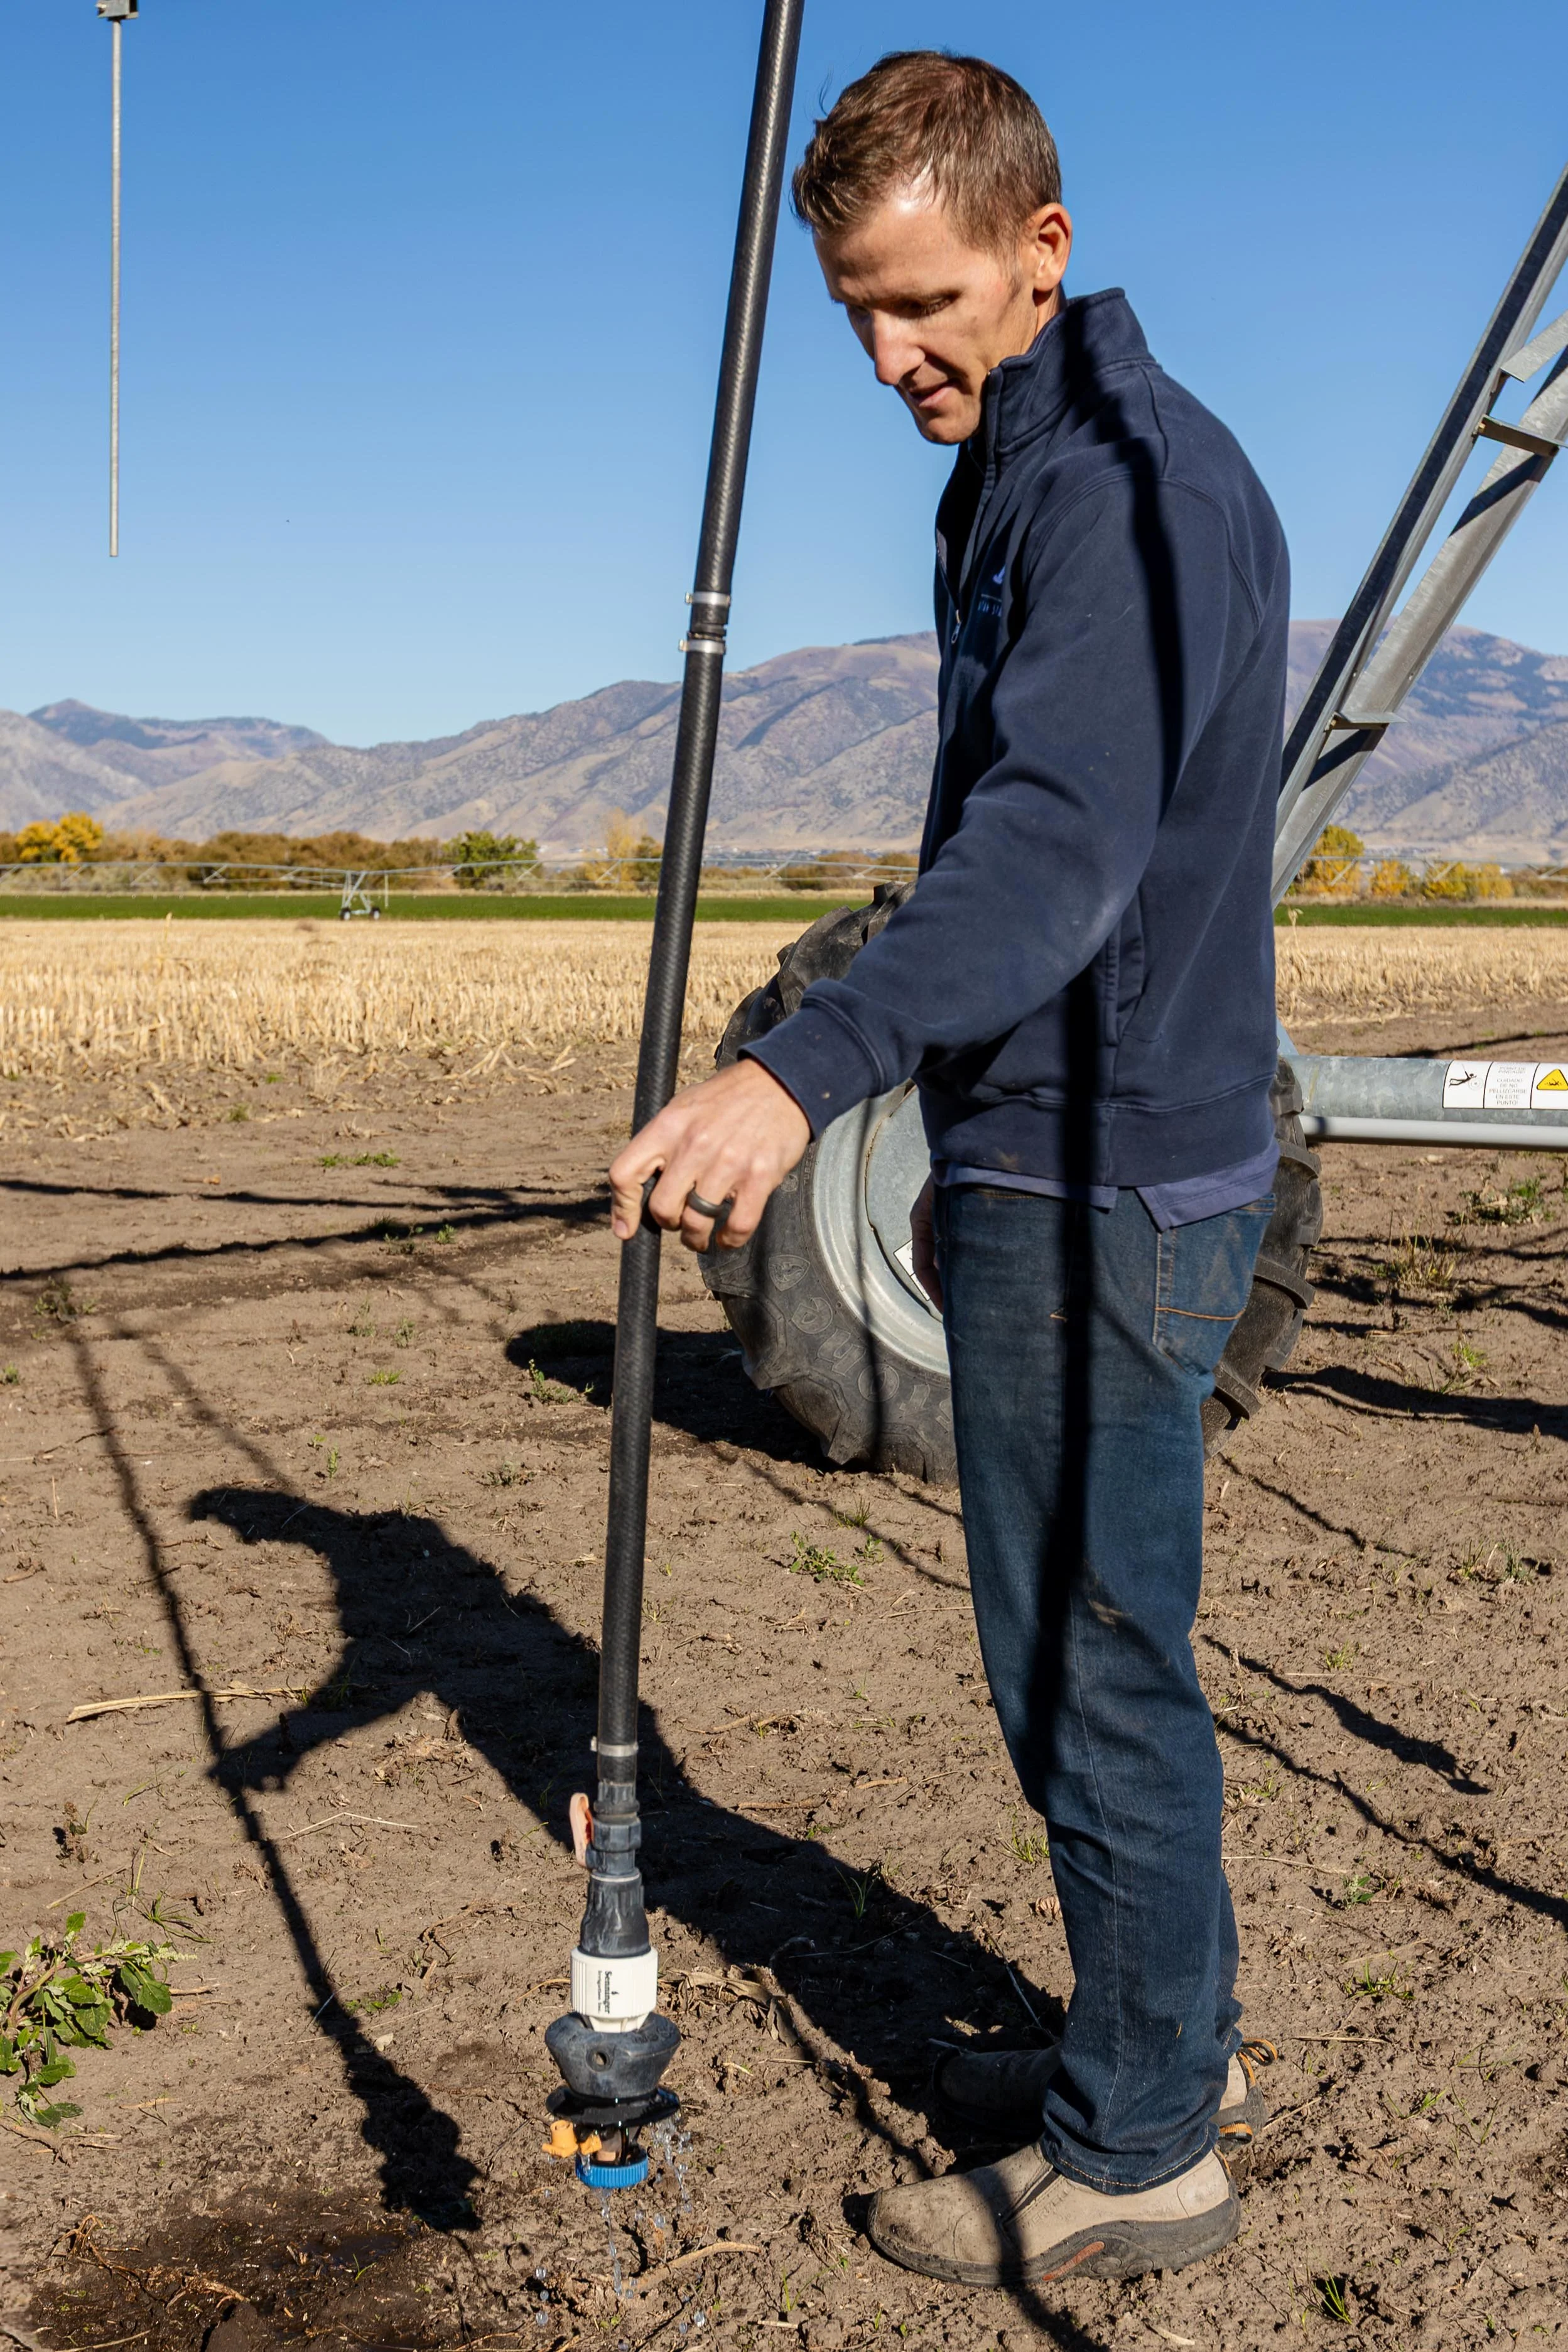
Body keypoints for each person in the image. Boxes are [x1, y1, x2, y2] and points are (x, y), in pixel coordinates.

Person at [608, 50, 1287, 2291]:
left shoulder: (1118, 490)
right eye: (856, 314)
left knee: (1097, 1668)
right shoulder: (1014, 458)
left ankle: (1144, 2149)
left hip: (1111, 1179)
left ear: (1043, 248)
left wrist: (799, 1077)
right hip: (1045, 1156)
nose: (891, 355)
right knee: (1068, 1658)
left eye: (924, 302)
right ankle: (1147, 2037)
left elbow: (1057, 854)